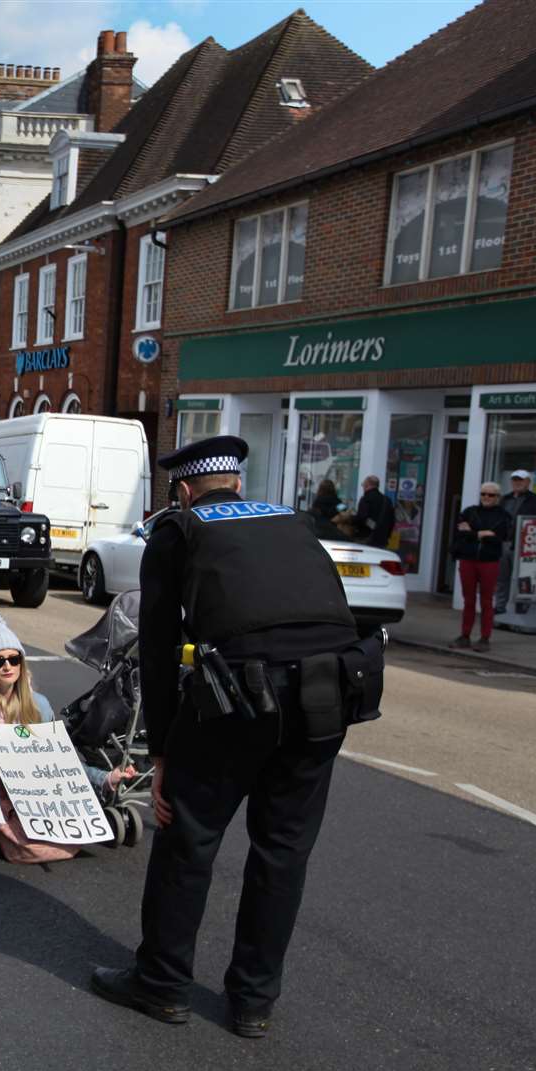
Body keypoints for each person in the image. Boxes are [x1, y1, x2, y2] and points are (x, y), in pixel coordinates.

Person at [91, 435, 372, 1039]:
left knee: (188, 840)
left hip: (239, 704)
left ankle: (162, 985)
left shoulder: (178, 531)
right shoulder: (291, 522)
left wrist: (159, 751)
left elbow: (161, 653)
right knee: (282, 853)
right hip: (328, 698)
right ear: (237, 484)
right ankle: (252, 1003)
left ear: (185, 490)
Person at [0, 614, 133, 863]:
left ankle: (3, 835)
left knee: (76, 800)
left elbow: (60, 763)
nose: (7, 666)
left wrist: (104, 778)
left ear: (21, 662)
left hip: (25, 791)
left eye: (14, 659)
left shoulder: (39, 706)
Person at [451, 482, 512, 652]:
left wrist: (473, 532)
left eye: (491, 495)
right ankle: (465, 635)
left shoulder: (503, 516)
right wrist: (481, 534)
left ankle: (485, 638)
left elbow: (501, 536)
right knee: (468, 600)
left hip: (489, 561)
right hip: (468, 559)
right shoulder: (470, 512)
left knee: (486, 601)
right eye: (483, 494)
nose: (486, 497)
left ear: (497, 498)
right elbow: (460, 533)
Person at [496, 469, 536, 614]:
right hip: (505, 543)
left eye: (521, 480)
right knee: (502, 578)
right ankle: (499, 608)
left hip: (525, 546)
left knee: (524, 578)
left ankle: (522, 609)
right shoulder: (504, 499)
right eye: (515, 480)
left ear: (528, 482)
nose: (517, 483)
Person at [352, 475, 394, 548]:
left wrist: (351, 519)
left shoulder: (366, 499)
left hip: (365, 538)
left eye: (363, 485)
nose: (362, 487)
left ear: (367, 485)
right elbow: (392, 520)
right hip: (382, 540)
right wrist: (386, 536)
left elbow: (362, 518)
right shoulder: (387, 500)